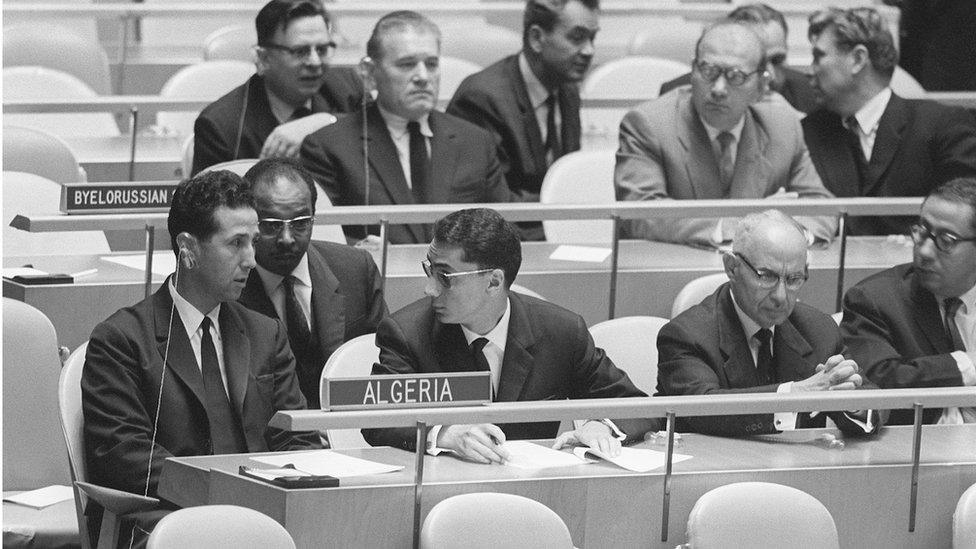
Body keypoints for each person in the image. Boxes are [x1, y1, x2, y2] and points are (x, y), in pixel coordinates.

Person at [82, 171, 319, 545]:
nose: (252, 260)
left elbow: (297, 437)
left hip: (263, 517)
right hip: (167, 518)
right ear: (188, 247)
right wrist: (233, 496)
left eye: (253, 242)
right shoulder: (121, 340)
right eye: (236, 243)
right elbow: (125, 458)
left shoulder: (265, 333)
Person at [362, 208, 658, 463]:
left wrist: (601, 426)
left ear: (493, 281)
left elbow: (638, 407)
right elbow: (376, 420)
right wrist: (444, 434)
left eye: (444, 277)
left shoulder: (561, 332)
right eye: (429, 270)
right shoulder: (407, 333)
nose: (430, 289)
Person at [656, 210, 882, 437]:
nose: (781, 297)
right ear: (732, 267)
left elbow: (876, 402)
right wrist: (794, 395)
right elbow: (703, 410)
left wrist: (850, 402)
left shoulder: (818, 328)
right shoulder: (686, 335)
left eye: (793, 279)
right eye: (766, 276)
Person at [615, 20, 835, 249]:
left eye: (736, 76)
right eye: (708, 71)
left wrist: (792, 232)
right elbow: (639, 214)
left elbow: (821, 208)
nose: (719, 89)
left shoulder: (783, 126)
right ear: (693, 71)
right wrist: (748, 226)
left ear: (761, 85)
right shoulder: (648, 124)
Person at [300, 11, 512, 244]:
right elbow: (321, 240)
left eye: (431, 64)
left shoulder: (475, 142)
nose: (423, 76)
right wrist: (357, 253)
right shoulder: (328, 147)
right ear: (370, 74)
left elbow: (504, 234)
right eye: (407, 64)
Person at [802, 7, 976, 236]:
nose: (810, 70)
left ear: (858, 59)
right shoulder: (808, 132)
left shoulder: (944, 126)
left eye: (819, 56)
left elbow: (965, 218)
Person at [238, 158, 388, 408]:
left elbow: (386, 359)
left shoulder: (355, 269)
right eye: (271, 226)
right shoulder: (229, 282)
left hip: (344, 426)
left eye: (300, 224)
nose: (286, 239)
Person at [446, 0, 599, 239]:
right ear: (537, 38)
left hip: (556, 234)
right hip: (506, 244)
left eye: (593, 38)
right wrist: (568, 216)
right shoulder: (481, 98)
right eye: (577, 38)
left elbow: (565, 180)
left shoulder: (567, 90)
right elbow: (492, 206)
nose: (589, 50)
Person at [841, 178, 976, 425]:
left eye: (946, 241)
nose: (924, 251)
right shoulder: (873, 300)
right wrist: (968, 365)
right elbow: (875, 384)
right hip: (917, 450)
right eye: (921, 232)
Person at [192, 0, 364, 175]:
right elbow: (211, 200)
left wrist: (324, 121)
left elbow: (380, 136)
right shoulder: (220, 125)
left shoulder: (348, 87)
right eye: (300, 51)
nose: (315, 62)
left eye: (322, 49)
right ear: (264, 58)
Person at [659, 3, 818, 114]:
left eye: (777, 60)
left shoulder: (813, 95)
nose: (770, 74)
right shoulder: (675, 100)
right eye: (758, 63)